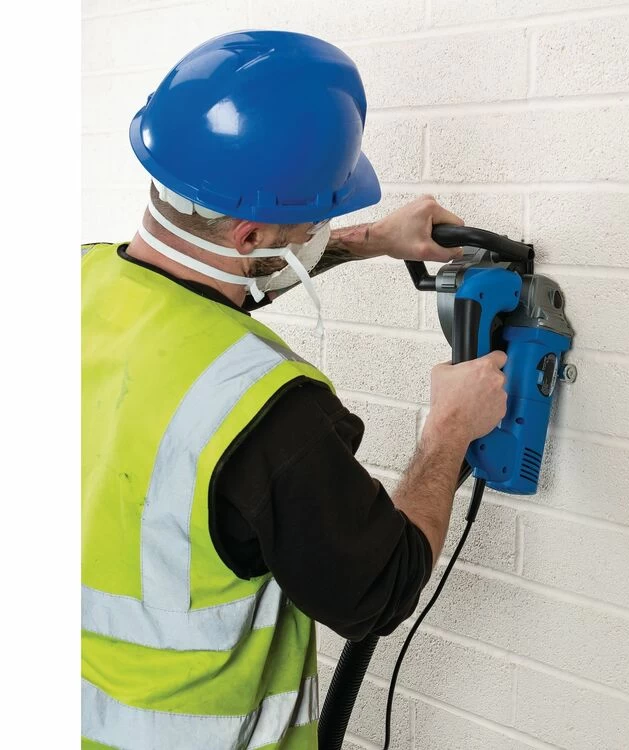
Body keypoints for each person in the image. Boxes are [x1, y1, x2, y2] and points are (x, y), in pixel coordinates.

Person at [82, 30, 508, 750]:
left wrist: (370, 240)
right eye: (319, 216)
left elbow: (197, 297)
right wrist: (448, 431)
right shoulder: (267, 411)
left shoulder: (76, 283)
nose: (323, 228)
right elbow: (380, 588)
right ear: (251, 237)